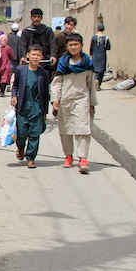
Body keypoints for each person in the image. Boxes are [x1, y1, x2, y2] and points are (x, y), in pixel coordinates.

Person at [52, 33, 97, 173]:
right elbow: (57, 83)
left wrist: (92, 103)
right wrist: (55, 99)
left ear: (81, 46)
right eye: (70, 45)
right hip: (66, 100)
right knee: (65, 130)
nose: (73, 47)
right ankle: (68, 156)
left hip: (82, 99)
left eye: (76, 44)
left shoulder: (87, 63)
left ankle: (83, 159)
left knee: (83, 129)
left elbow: (91, 85)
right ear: (66, 46)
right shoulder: (63, 63)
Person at [11, 45, 52, 169]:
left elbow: (46, 92)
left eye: (38, 55)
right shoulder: (20, 70)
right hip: (23, 108)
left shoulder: (44, 74)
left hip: (37, 109)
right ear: (28, 55)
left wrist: (45, 111)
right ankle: (21, 148)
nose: (35, 57)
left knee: (35, 134)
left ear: (42, 57)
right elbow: (15, 85)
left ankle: (31, 158)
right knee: (21, 133)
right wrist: (14, 96)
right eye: (33, 54)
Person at [89, 23, 112, 90]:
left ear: (97, 29)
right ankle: (99, 84)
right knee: (102, 70)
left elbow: (91, 47)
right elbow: (108, 47)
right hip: (102, 55)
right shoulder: (106, 38)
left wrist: (91, 54)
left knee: (95, 69)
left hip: (95, 55)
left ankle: (96, 79)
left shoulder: (94, 38)